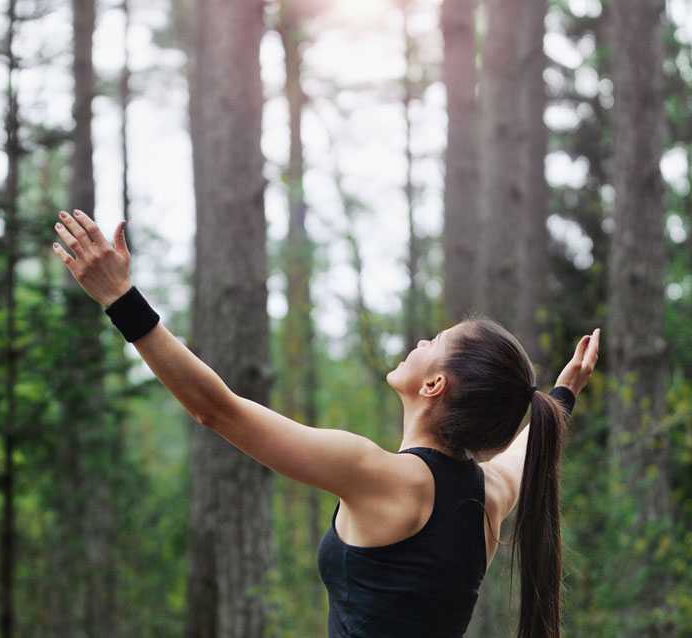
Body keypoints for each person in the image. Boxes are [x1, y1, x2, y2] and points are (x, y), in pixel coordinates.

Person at [52, 209, 600, 638]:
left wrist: (120, 299)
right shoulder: (491, 494)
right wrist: (562, 392)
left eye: (436, 344)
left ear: (435, 386)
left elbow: (216, 408)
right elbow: (531, 442)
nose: (421, 341)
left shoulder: (381, 476)